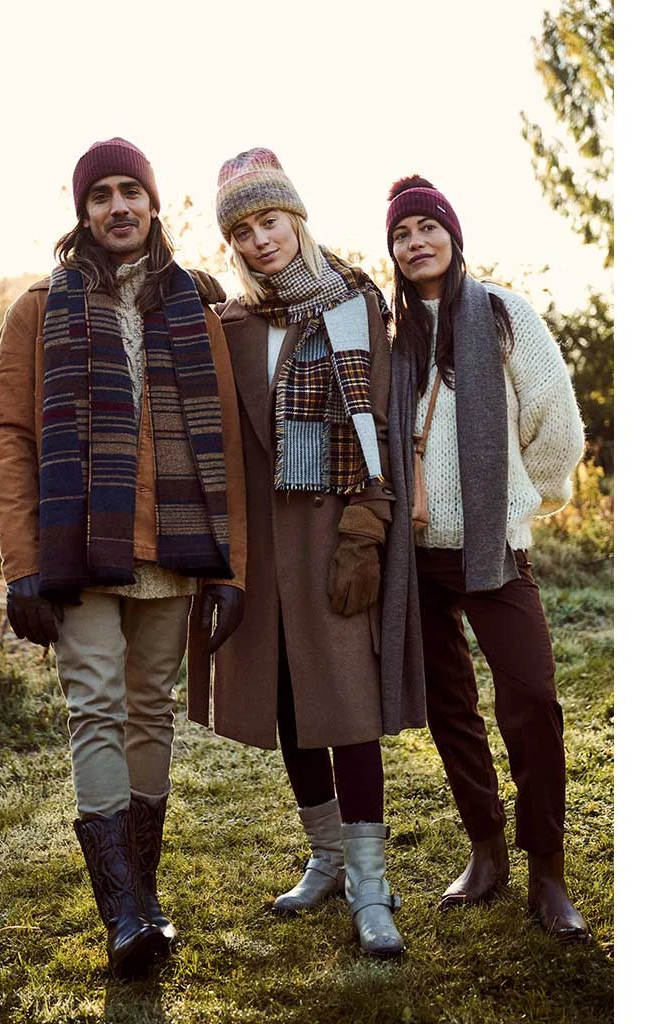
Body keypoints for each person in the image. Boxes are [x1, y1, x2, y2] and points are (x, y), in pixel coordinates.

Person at [0, 137, 248, 978]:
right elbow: (7, 436)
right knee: (95, 706)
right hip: (78, 546)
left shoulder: (195, 309)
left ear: (154, 204)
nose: (118, 206)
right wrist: (22, 563)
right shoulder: (38, 308)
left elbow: (225, 444)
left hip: (172, 545)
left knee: (149, 709)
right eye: (101, 195)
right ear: (83, 213)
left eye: (131, 190)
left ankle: (147, 891)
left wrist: (229, 567)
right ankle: (124, 913)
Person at [186, 148, 425, 958]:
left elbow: (379, 423)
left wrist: (366, 527)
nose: (260, 240)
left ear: (296, 217)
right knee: (289, 701)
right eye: (242, 231)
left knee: (347, 707)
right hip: (260, 545)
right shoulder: (230, 323)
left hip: (333, 538)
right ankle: (325, 858)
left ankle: (371, 884)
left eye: (270, 220)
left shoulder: (357, 305)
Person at [381, 175, 591, 943]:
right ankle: (486, 850)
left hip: (494, 550)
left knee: (531, 702)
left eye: (426, 228)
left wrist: (520, 504)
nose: (416, 243)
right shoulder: (391, 330)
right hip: (415, 555)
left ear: (453, 234)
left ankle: (548, 871)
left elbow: (555, 425)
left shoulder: (503, 313)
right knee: (451, 710)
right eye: (401, 235)